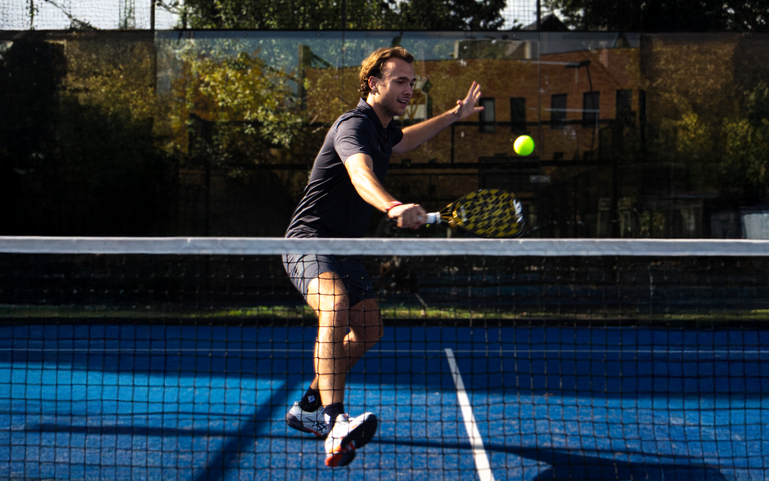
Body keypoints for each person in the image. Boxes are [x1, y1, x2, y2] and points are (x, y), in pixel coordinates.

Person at [282, 46, 483, 468]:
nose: (410, 89)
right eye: (400, 81)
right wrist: (392, 207)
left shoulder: (383, 129)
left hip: (347, 250)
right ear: (373, 83)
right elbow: (360, 174)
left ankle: (307, 407)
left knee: (369, 330)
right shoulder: (353, 125)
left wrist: (453, 115)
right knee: (334, 307)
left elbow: (405, 141)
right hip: (309, 241)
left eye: (413, 82)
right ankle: (334, 421)